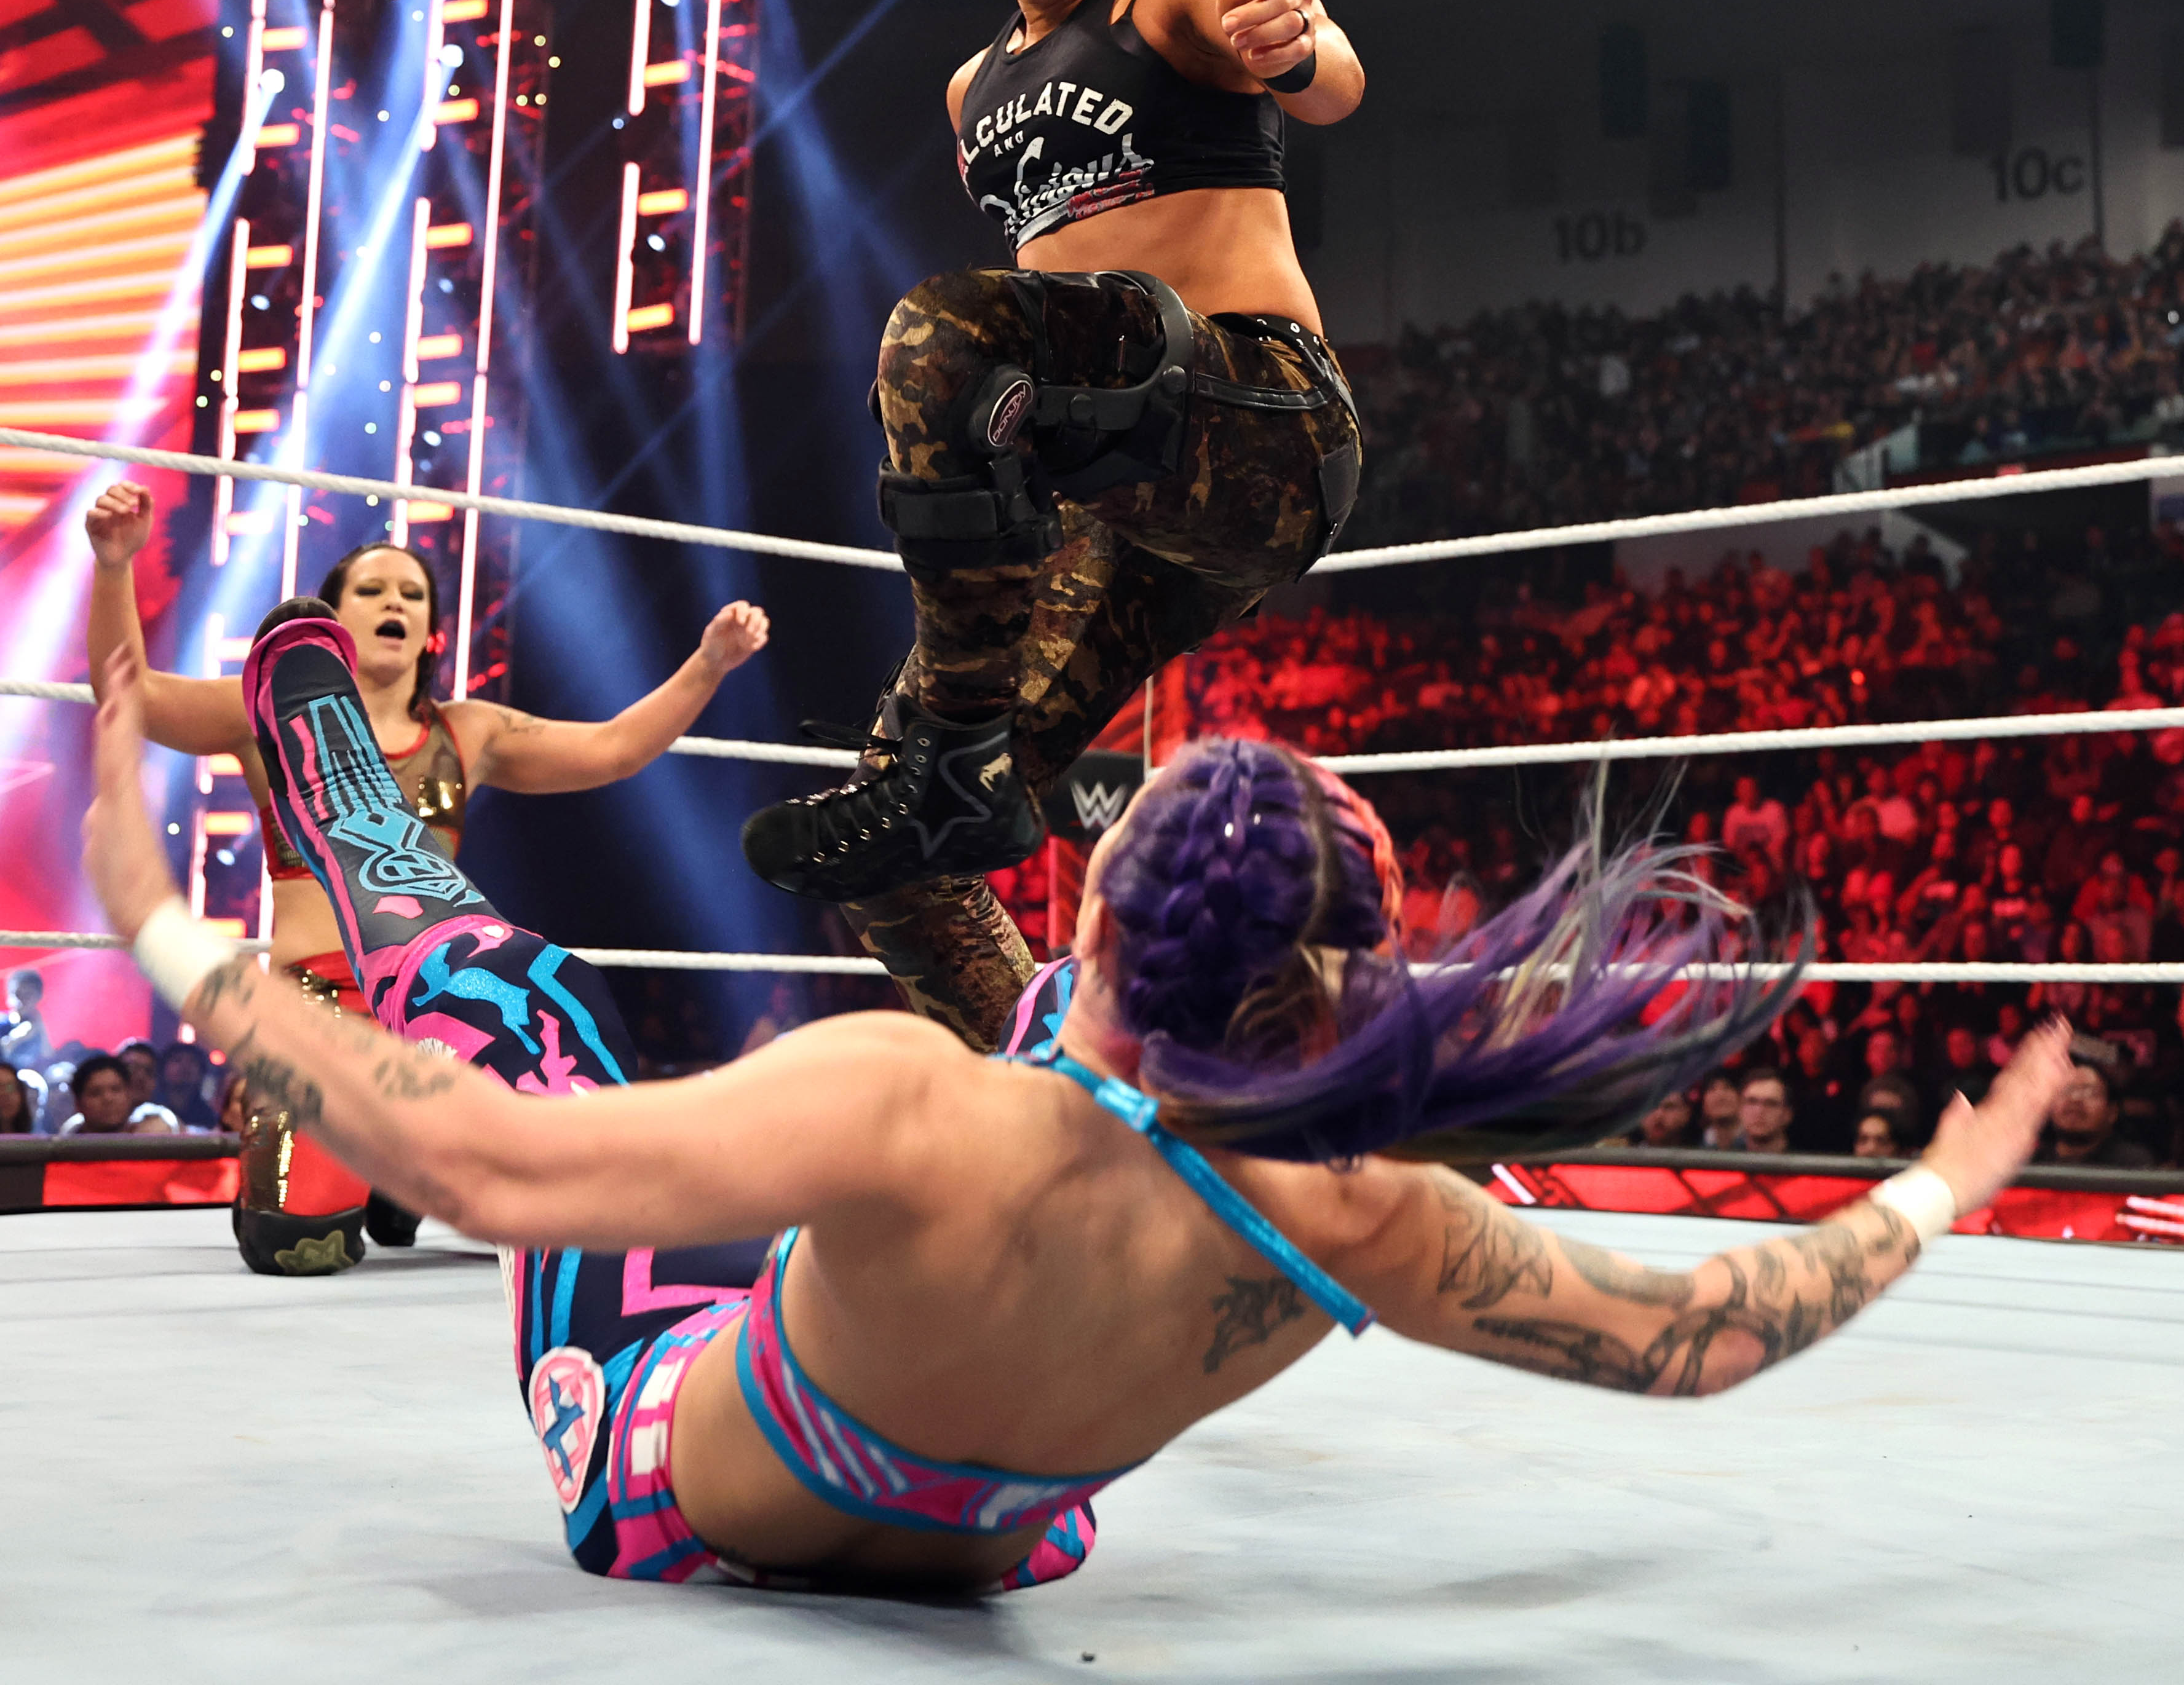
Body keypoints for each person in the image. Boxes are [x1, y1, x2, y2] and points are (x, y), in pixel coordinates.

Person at [81, 620, 2073, 1595]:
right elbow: (1702, 1338)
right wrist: (1942, 1177)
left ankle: (360, 820)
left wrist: (170, 931)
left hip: (659, 1468)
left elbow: (476, 1162)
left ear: (1111, 913)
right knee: (1002, 1071)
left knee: (519, 1002)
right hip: (995, 1523)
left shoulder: (914, 1105)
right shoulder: (1360, 1210)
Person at [738, 0, 1366, 1052]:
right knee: (890, 843)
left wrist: (1294, 47)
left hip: (1257, 423)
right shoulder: (972, 91)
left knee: (937, 334)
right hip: (1117, 497)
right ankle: (1055, 1110)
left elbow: (1325, 74)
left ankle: (957, 751)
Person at [84, 484, 770, 1276]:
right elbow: (131, 693)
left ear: (429, 630)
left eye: (411, 594)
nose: (394, 603)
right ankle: (377, 1170)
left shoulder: (467, 731)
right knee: (298, 1247)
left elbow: (614, 750)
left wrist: (708, 665)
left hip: (437, 1001)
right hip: (317, 1012)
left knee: (554, 1206)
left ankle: (404, 1170)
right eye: (372, 590)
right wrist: (115, 566)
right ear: (332, 620)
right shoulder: (264, 711)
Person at [2037, 1057, 2157, 1169]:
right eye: (2067, 1090)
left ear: (2112, 1112)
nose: (2075, 1099)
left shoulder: (2133, 1166)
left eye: (2090, 1093)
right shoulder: (2032, 1161)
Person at [1732, 1069, 1794, 1154]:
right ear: (1740, 1109)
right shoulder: (1722, 1159)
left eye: (1771, 1104)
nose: (1759, 1111)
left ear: (1787, 1114)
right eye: (1752, 1102)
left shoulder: (1806, 1161)